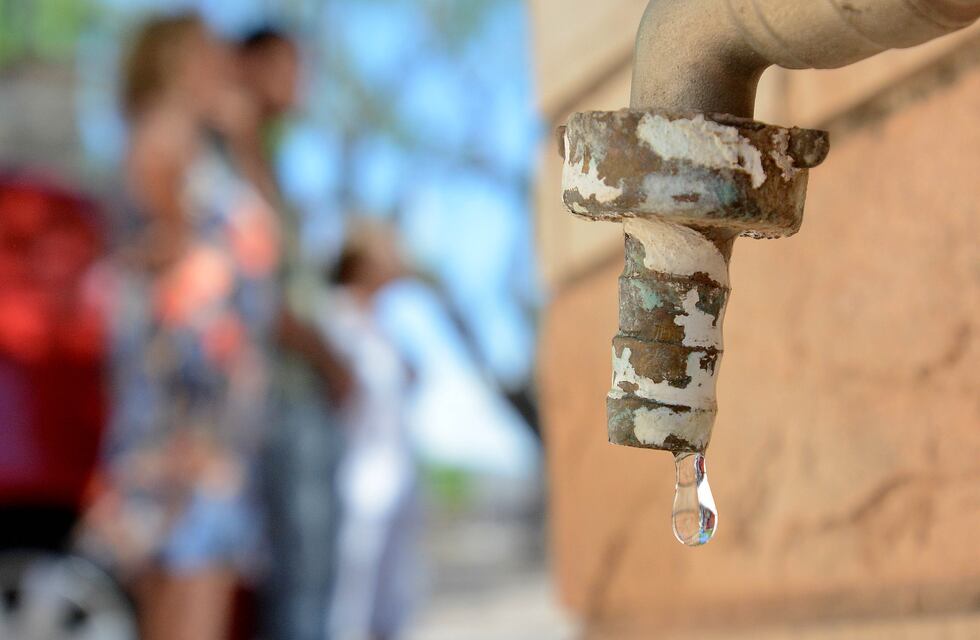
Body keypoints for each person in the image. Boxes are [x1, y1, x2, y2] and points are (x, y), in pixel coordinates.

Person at [81, 14, 348, 640]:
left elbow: (261, 242)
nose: (225, 63)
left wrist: (241, 134)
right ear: (177, 60)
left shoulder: (214, 146)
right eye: (209, 51)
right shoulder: (167, 133)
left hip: (218, 407)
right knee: (192, 572)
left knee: (199, 570)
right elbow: (154, 253)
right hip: (187, 403)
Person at [232, 27, 351, 640]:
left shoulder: (264, 160)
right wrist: (334, 365)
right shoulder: (228, 160)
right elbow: (260, 295)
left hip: (292, 391)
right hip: (279, 392)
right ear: (249, 65)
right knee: (299, 579)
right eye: (288, 64)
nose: (300, 81)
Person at [321, 225, 419, 640]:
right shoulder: (335, 316)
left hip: (396, 472)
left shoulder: (384, 325)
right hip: (353, 475)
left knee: (392, 594)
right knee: (352, 599)